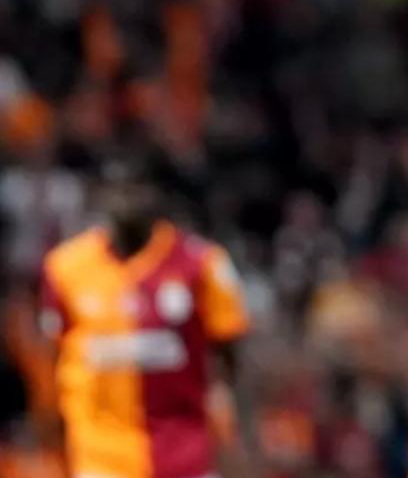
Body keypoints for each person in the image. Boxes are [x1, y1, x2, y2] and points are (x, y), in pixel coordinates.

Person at [38, 156, 254, 478]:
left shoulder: (201, 263)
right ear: (98, 194)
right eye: (117, 188)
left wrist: (233, 437)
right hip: (100, 456)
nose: (127, 200)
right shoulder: (65, 268)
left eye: (137, 188)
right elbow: (54, 359)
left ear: (158, 193)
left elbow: (229, 357)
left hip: (185, 455)